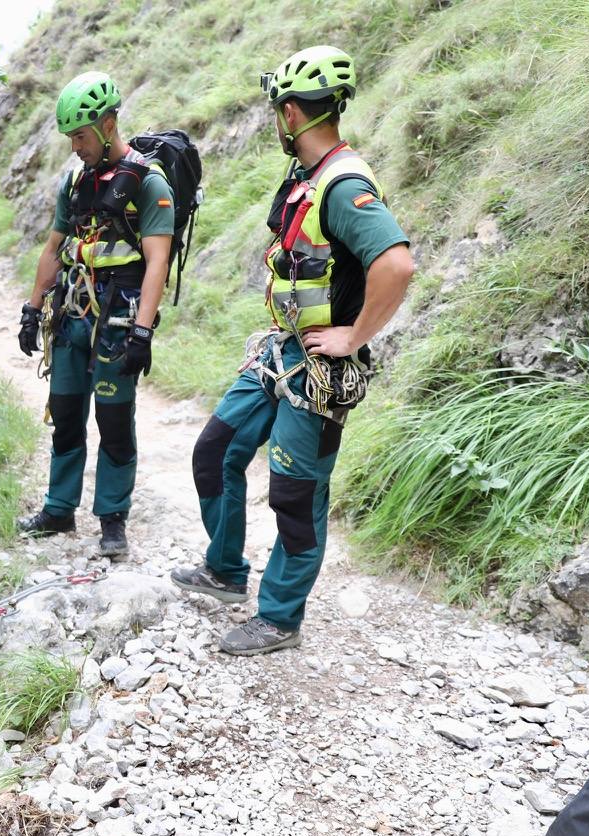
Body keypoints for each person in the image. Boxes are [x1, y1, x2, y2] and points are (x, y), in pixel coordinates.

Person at [171, 46, 415, 656]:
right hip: (281, 352)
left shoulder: (342, 184)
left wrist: (354, 337)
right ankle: (225, 571)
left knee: (294, 493)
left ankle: (279, 617)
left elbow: (396, 263)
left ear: (288, 112)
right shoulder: (307, 175)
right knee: (215, 452)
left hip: (320, 369)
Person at [16, 71, 174, 558]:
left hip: (118, 320)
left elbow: (157, 262)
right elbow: (52, 247)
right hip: (71, 313)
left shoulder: (149, 183)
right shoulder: (75, 182)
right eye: (69, 138)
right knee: (65, 415)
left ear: (108, 125)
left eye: (80, 136)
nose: (75, 147)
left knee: (112, 418)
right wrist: (32, 306)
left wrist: (142, 333)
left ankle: (112, 520)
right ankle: (59, 510)